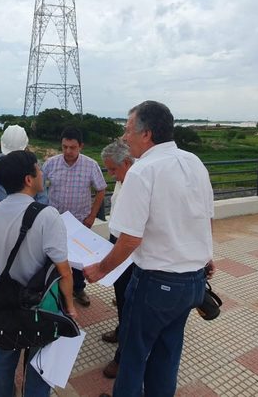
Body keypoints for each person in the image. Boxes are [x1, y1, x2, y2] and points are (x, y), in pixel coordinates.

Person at [84, 101, 215, 397]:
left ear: (147, 134)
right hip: (192, 282)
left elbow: (129, 239)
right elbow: (205, 218)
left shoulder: (143, 171)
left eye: (128, 129)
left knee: (133, 358)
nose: (124, 137)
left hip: (156, 284)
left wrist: (100, 269)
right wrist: (206, 257)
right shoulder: (194, 162)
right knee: (167, 356)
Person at [0, 150, 77, 397]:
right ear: (29, 179)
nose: (42, 172)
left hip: (4, 302)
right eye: (38, 169)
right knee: (40, 364)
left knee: (4, 357)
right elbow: (64, 270)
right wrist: (70, 307)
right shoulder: (47, 215)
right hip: (40, 306)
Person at [42, 126, 107, 306]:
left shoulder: (90, 165)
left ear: (81, 146)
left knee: (79, 259)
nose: (68, 151)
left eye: (72, 147)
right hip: (55, 221)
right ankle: (55, 290)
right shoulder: (50, 164)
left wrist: (92, 215)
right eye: (64, 147)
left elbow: (101, 190)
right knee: (55, 256)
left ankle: (78, 288)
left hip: (80, 221)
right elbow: (39, 187)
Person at [99, 140, 135, 379]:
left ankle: (123, 355)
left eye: (113, 169)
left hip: (130, 251)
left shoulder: (138, 184)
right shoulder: (124, 180)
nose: (111, 175)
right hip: (116, 242)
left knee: (129, 301)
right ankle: (122, 330)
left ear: (128, 162)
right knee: (120, 295)